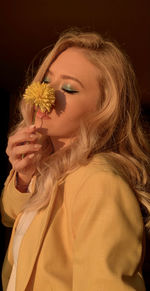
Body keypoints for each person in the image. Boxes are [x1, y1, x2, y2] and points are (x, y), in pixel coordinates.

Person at [1, 28, 150, 291]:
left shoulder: (99, 182)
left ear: (104, 110)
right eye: (46, 82)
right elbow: (10, 215)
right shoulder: (51, 167)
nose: (44, 97)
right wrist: (23, 178)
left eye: (68, 89)